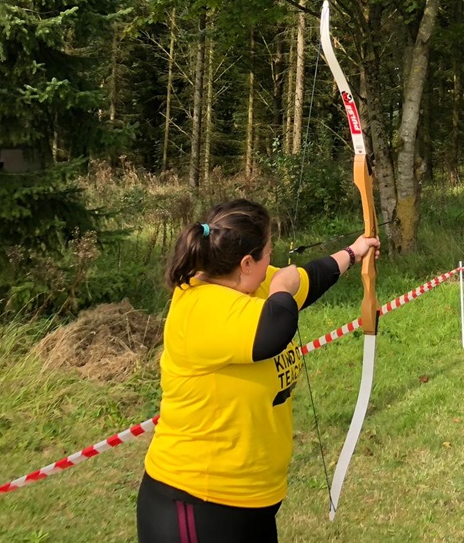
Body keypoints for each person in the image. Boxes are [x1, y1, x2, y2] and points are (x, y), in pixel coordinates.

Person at [136, 198, 379, 543]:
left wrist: (354, 253)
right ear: (246, 262)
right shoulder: (199, 306)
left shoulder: (251, 282)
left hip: (253, 501)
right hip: (196, 503)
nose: (273, 260)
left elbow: (309, 279)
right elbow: (275, 328)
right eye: (268, 251)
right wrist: (283, 288)